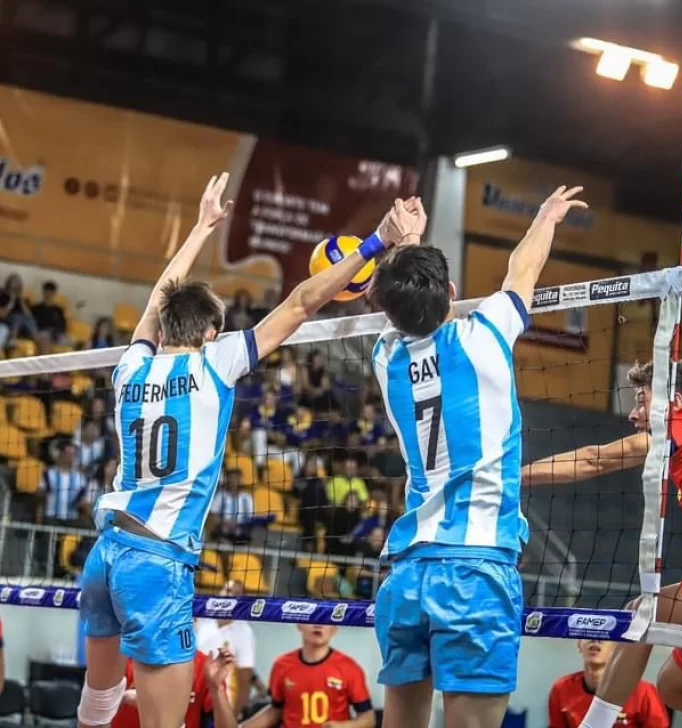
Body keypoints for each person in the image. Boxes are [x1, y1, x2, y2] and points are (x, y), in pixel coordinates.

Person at [76, 171, 421, 728]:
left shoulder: (130, 367)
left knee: (98, 704)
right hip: (156, 560)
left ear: (163, 330)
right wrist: (376, 242)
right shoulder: (216, 362)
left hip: (105, 552)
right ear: (212, 332)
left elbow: (154, 302)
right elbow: (303, 301)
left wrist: (198, 230)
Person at [367, 187, 588, 728]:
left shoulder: (385, 358)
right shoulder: (485, 336)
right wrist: (544, 216)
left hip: (408, 572)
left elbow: (405, 306)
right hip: (476, 570)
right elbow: (522, 269)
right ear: (451, 292)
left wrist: (409, 241)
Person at [523, 359, 682, 726]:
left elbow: (593, 461)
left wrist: (508, 479)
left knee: (671, 687)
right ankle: (597, 722)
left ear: (674, 401)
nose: (633, 414)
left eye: (641, 399)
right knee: (644, 610)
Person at [240, 625, 375, 728]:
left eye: (325, 619)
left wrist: (343, 727)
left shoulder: (349, 668)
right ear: (299, 623)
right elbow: (275, 710)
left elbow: (369, 718)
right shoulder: (282, 665)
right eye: (313, 616)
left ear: (335, 628)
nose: (318, 625)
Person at [548, 640, 668, 728]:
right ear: (578, 644)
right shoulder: (561, 688)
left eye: (605, 635)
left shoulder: (644, 692)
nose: (596, 640)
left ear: (617, 648)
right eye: (589, 633)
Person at [111, 647, 236, 728]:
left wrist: (216, 688)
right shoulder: (121, 658)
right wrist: (125, 698)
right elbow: (95, 715)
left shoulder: (204, 666)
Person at [195, 580, 255, 719]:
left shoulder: (244, 632)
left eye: (236, 594)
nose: (230, 596)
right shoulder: (204, 620)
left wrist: (233, 716)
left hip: (221, 701)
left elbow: (245, 678)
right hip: (195, 694)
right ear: (219, 592)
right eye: (227, 590)